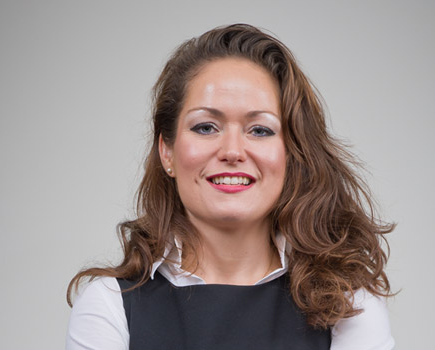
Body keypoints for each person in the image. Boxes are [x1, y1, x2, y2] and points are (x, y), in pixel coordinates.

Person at [66, 24, 395, 350]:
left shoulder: (349, 307)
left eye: (260, 130)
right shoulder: (109, 306)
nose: (233, 151)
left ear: (292, 153)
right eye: (206, 127)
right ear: (166, 151)